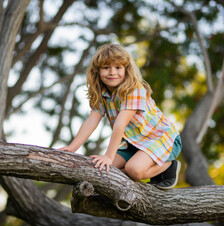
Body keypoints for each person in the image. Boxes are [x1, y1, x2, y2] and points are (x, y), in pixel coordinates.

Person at [60, 43, 182, 189]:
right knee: (101, 169)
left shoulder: (134, 89)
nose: (112, 72)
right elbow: (91, 120)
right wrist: (73, 147)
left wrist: (108, 156)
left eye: (118, 67)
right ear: (97, 71)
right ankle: (136, 167)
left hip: (161, 138)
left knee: (134, 170)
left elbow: (120, 123)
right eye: (106, 67)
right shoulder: (102, 92)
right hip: (133, 143)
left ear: (126, 69)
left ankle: (169, 166)